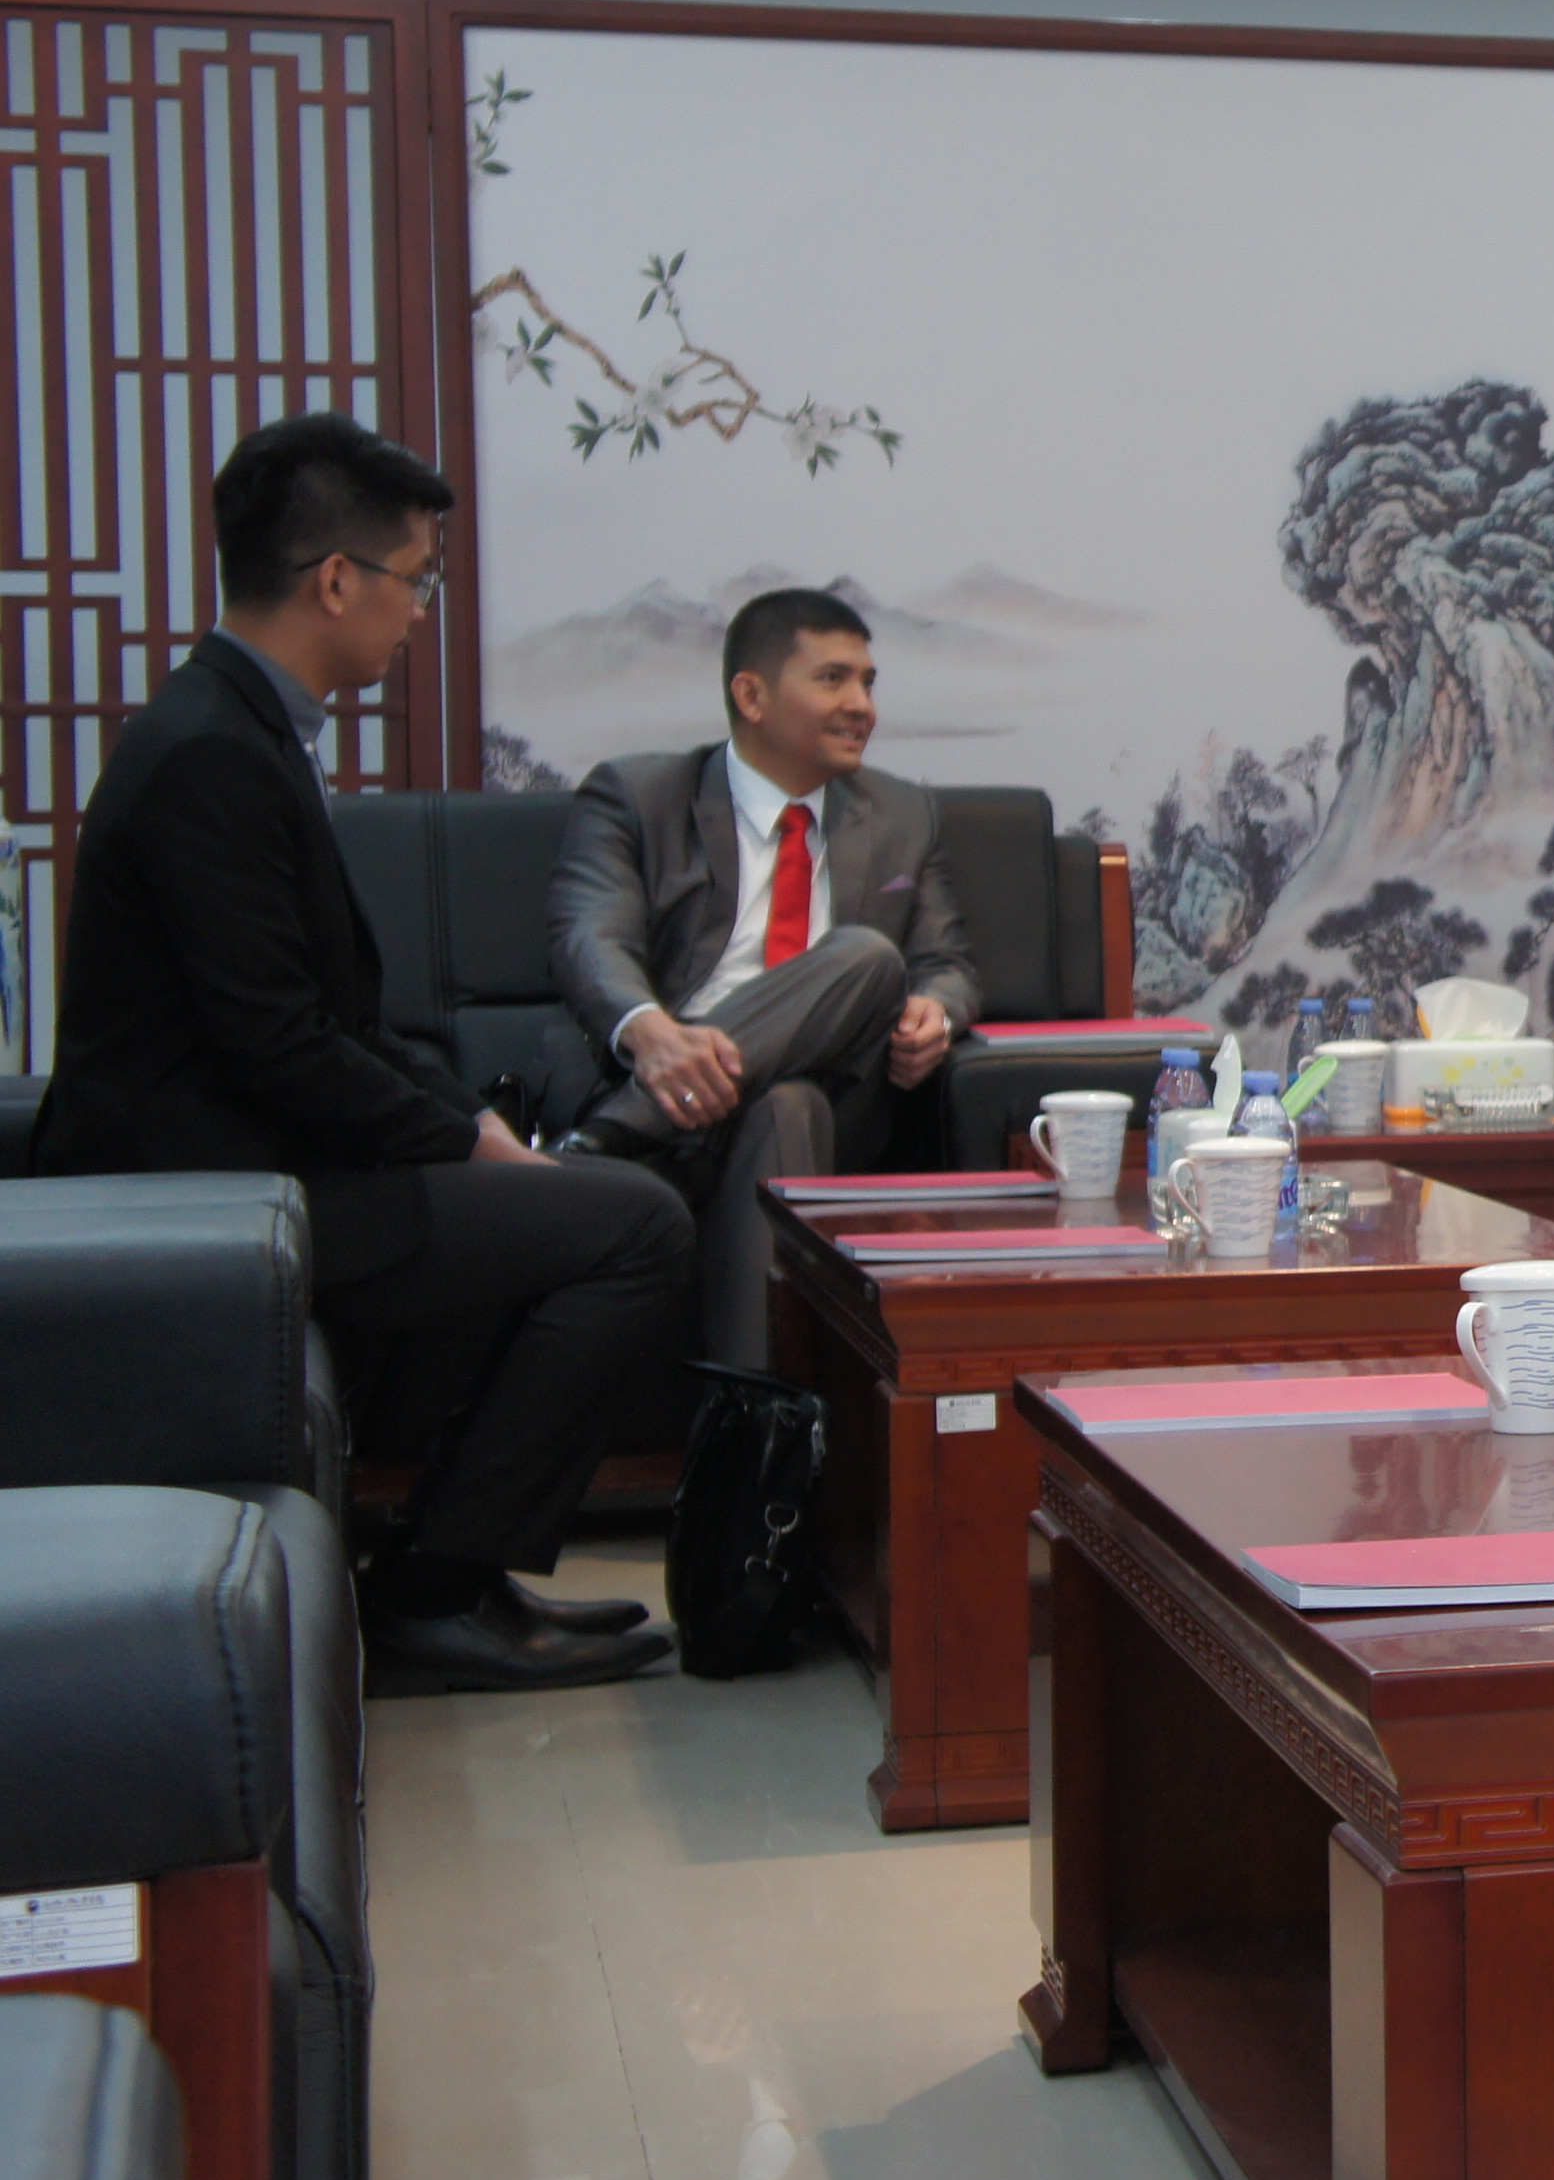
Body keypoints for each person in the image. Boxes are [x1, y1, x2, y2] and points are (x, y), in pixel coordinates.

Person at [36, 415, 691, 1693]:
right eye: (416, 581)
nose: (418, 615)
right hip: (212, 1197)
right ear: (337, 579)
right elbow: (276, 1043)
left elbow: (336, 1020)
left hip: (265, 1164)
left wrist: (470, 1122)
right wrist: (457, 1138)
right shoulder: (210, 752)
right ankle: (433, 1593)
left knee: (570, 1204)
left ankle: (454, 1571)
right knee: (638, 1227)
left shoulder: (237, 723)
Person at [549, 588, 979, 1375]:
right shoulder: (639, 797)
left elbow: (944, 963)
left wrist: (937, 1012)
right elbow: (589, 937)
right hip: (692, 1073)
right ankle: (755, 1432)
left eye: (868, 682)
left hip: (840, 1097)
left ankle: (622, 1133)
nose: (862, 706)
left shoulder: (903, 814)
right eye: (832, 680)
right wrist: (652, 1035)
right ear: (751, 695)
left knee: (867, 958)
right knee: (783, 1106)